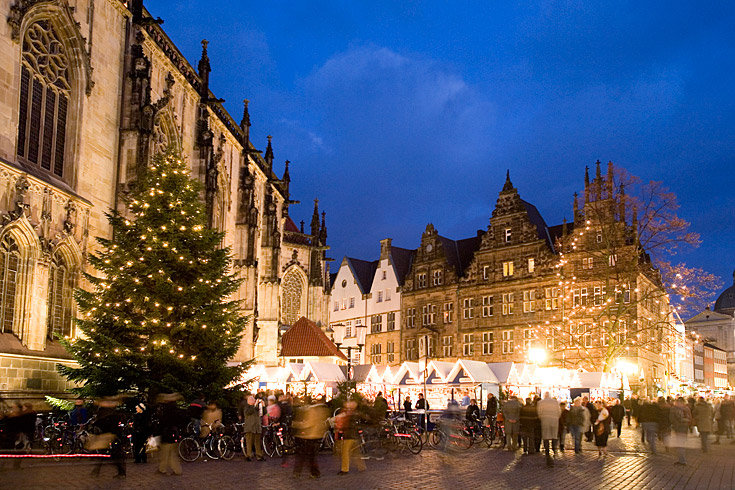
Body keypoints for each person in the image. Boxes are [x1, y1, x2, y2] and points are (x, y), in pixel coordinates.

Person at [292, 396, 328, 479]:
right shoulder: (323, 410)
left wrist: (296, 424)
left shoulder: (312, 410)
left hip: (309, 435)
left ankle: (300, 472)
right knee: (310, 457)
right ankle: (313, 472)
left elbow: (309, 423)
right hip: (316, 435)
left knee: (303, 456)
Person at [155, 393, 185, 476]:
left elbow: (163, 423)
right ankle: (177, 470)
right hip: (173, 433)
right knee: (172, 454)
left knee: (165, 453)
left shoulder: (166, 410)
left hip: (167, 434)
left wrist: (158, 432)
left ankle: (162, 470)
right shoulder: (175, 409)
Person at [335, 400, 365, 475]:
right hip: (354, 435)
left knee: (345, 452)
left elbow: (346, 424)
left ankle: (345, 469)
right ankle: (361, 466)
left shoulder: (349, 415)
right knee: (356, 452)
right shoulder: (355, 414)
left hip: (349, 435)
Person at [537, 392, 561, 467]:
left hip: (545, 420)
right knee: (554, 435)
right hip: (554, 420)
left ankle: (547, 451)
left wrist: (542, 417)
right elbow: (559, 412)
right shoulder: (556, 402)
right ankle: (554, 449)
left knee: (546, 436)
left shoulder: (540, 402)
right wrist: (556, 417)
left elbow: (539, 412)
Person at [241, 395, 264, 461]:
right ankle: (249, 455)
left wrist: (263, 406)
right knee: (249, 442)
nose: (254, 401)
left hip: (257, 427)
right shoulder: (247, 407)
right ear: (249, 401)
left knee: (257, 442)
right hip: (250, 428)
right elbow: (248, 412)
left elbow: (263, 413)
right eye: (253, 400)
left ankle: (259, 455)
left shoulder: (257, 407)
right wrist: (254, 406)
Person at [670, 397, 692, 465]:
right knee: (681, 443)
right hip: (684, 427)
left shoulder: (675, 409)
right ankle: (681, 459)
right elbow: (690, 418)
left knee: (680, 444)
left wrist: (675, 424)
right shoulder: (686, 409)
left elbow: (673, 418)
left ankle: (682, 460)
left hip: (679, 428)